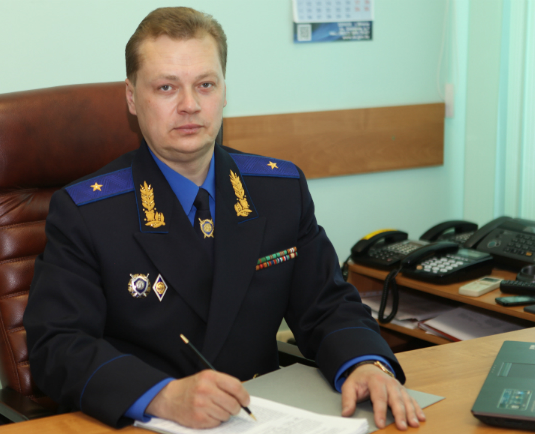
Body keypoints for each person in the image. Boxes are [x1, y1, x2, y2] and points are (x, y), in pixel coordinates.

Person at [24, 6, 425, 431]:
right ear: (131, 97)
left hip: (260, 418)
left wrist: (365, 364)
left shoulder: (278, 191)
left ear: (224, 91)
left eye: (205, 84)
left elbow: (326, 305)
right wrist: (161, 395)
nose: (190, 105)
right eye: (166, 87)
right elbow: (57, 346)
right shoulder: (87, 213)